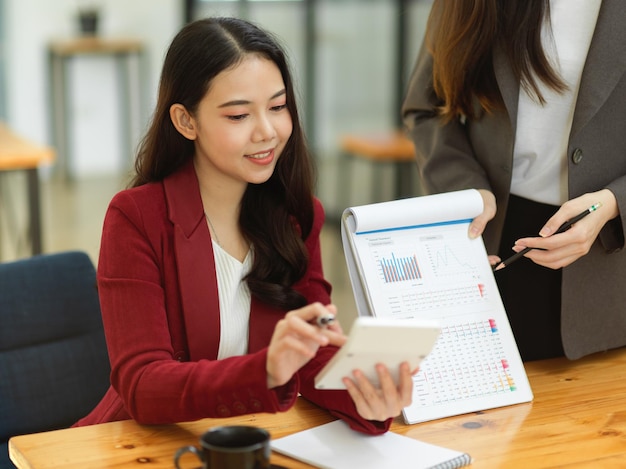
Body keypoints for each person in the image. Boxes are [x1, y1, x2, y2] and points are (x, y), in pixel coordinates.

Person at [75, 17, 414, 434]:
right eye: (239, 116)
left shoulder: (296, 215)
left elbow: (313, 352)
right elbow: (143, 385)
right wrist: (266, 370)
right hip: (142, 444)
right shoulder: (136, 218)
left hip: (244, 440)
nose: (268, 132)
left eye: (277, 106)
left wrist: (367, 394)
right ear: (186, 122)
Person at [402, 0, 626, 362]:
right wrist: (466, 187)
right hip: (490, 239)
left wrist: (613, 203)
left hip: (610, 255)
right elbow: (426, 108)